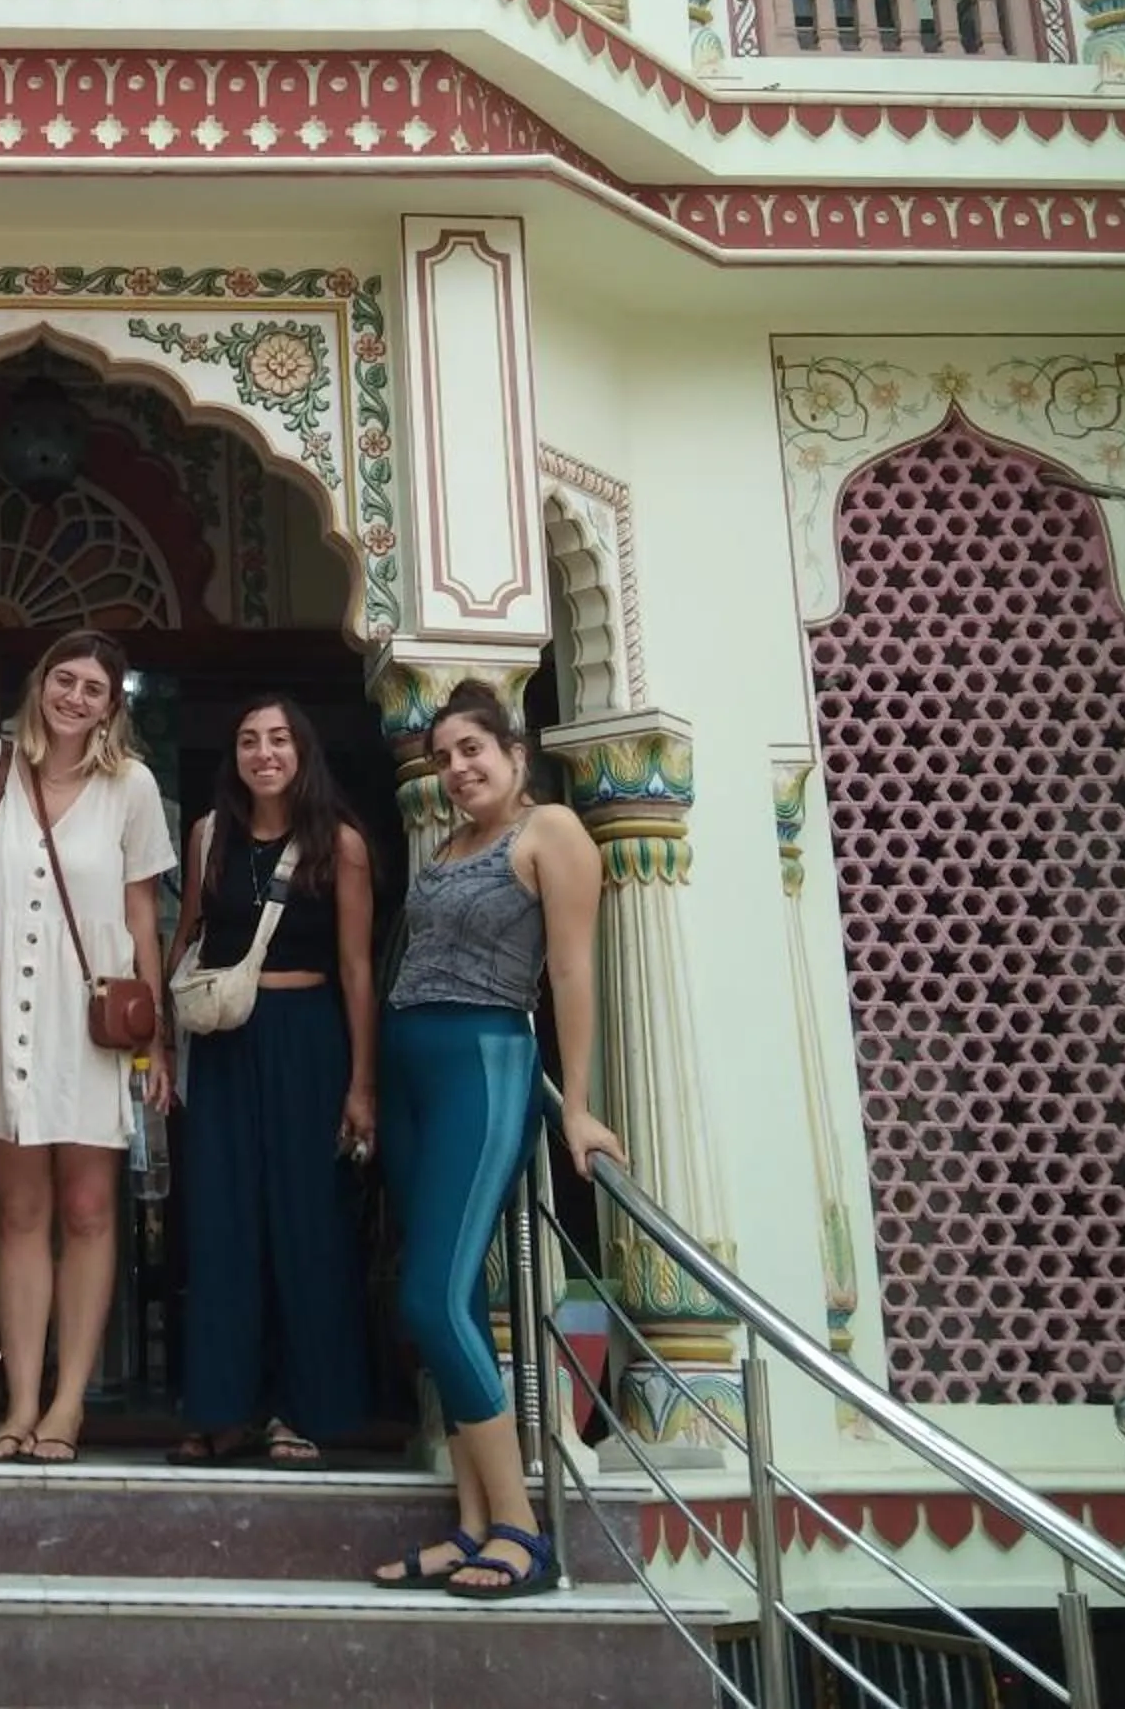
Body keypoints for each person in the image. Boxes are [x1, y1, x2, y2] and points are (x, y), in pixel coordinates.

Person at [369, 678, 622, 1601]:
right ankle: (473, 1527)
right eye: (442, 757)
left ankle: (522, 1526)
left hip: (486, 1061)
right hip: (412, 1069)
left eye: (472, 750)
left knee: (429, 1298)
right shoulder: (447, 846)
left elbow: (571, 966)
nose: (456, 768)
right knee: (457, 1302)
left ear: (515, 756)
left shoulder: (549, 831)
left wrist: (581, 1103)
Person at [0, 629, 177, 1466]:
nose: (76, 698)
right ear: (39, 684)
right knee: (18, 1212)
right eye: (64, 680)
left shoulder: (133, 786)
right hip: (9, 1010)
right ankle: (17, 1402)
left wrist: (154, 1040)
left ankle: (69, 1402)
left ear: (113, 705)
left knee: (87, 1211)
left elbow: (141, 916)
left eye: (94, 688)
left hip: (93, 1024)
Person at [164, 695, 377, 1469]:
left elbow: (356, 967)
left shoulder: (338, 844)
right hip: (225, 1043)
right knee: (222, 1224)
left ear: (303, 751)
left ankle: (300, 1408)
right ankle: (221, 1410)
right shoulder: (209, 836)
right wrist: (159, 1040)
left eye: (280, 739)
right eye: (250, 739)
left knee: (304, 1222)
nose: (265, 753)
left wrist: (362, 1081)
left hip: (309, 1038)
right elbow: (187, 936)